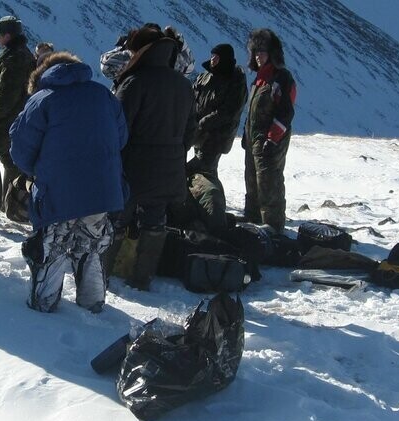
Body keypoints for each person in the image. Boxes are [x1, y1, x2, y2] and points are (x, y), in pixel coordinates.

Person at [10, 52, 127, 313]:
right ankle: (92, 302)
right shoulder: (103, 95)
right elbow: (121, 138)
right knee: (91, 247)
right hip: (102, 189)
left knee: (53, 247)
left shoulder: (42, 99)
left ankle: (44, 304)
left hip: (58, 191)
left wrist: (39, 172)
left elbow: (20, 149)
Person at [108, 26, 196, 291]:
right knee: (155, 220)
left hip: (134, 165)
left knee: (118, 219)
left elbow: (118, 127)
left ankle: (103, 272)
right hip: (169, 165)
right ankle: (142, 277)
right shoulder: (183, 83)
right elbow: (191, 130)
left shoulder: (135, 82)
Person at [242, 28, 297, 233]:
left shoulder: (281, 78)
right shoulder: (259, 80)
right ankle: (252, 222)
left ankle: (272, 228)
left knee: (269, 182)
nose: (258, 56)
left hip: (271, 141)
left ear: (272, 53)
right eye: (255, 52)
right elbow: (253, 112)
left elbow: (285, 113)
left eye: (262, 52)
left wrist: (272, 138)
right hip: (254, 140)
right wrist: (246, 135)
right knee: (251, 180)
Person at [0, 16, 35, 211]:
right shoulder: (19, 55)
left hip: (5, 120)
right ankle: (8, 201)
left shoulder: (13, 59)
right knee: (10, 160)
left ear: (7, 36)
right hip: (17, 120)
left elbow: (5, 95)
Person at [187, 43, 247, 178]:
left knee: (201, 170)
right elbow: (192, 97)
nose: (213, 59)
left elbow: (229, 111)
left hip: (217, 137)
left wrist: (203, 123)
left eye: (217, 57)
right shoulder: (205, 77)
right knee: (203, 174)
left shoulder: (236, 81)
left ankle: (211, 198)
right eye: (212, 56)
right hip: (199, 135)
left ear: (225, 59)